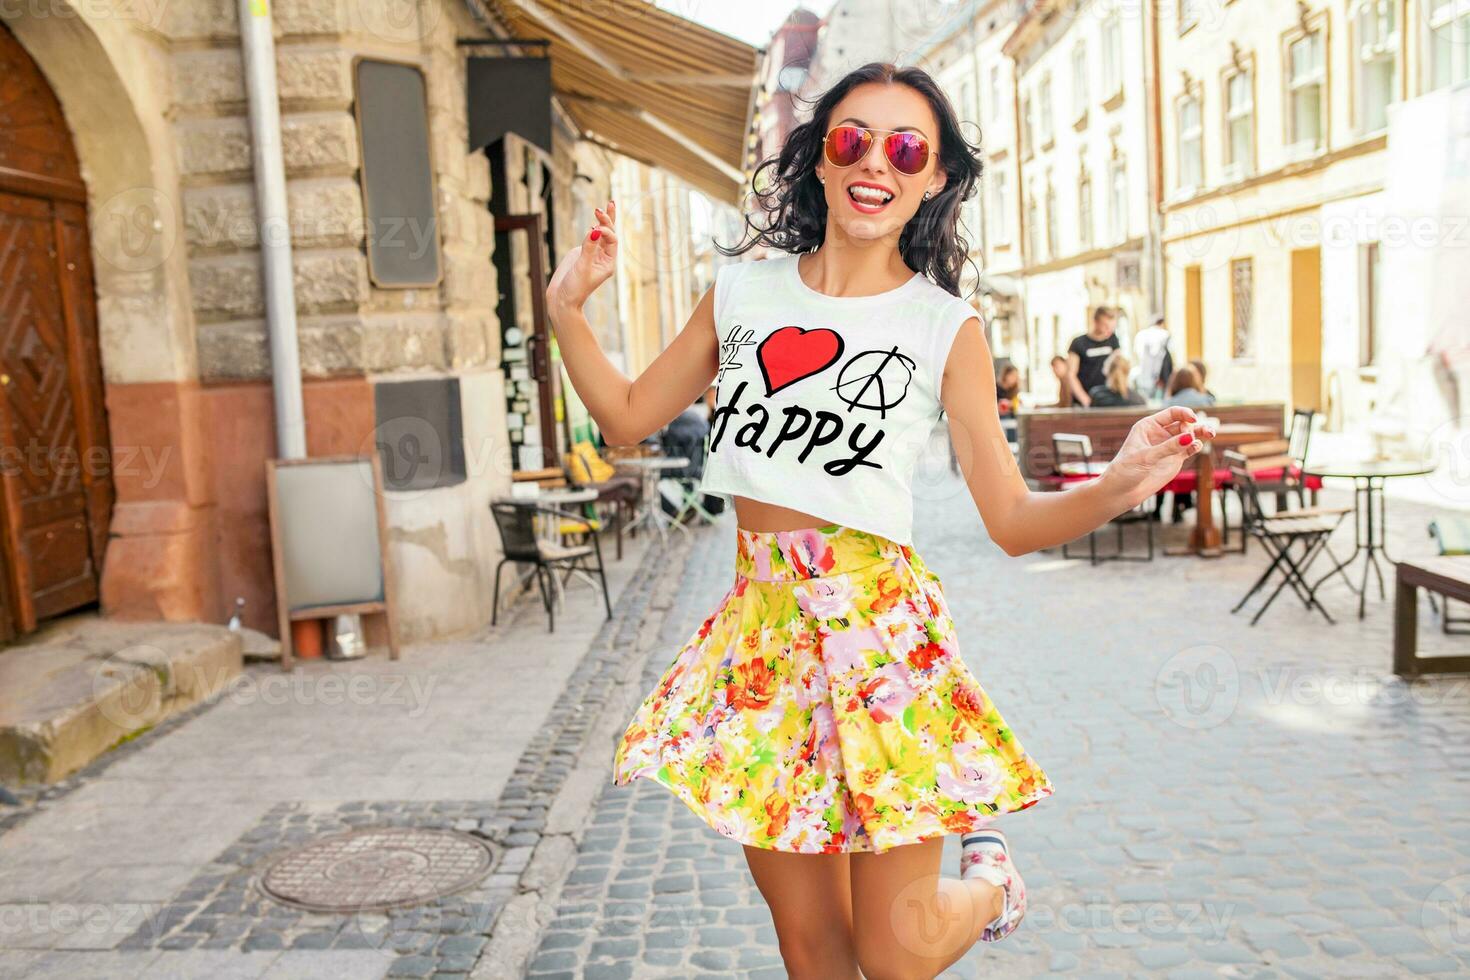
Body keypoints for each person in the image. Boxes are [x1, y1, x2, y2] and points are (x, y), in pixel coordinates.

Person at [545, 61, 1213, 980]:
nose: (877, 164)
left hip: (881, 642)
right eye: (853, 139)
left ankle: (988, 882)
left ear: (934, 180)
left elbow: (1011, 519)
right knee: (812, 949)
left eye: (907, 149)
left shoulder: (945, 327)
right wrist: (564, 306)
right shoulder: (742, 291)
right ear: (821, 158)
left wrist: (1120, 483)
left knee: (892, 954)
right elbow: (625, 418)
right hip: (761, 645)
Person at [1065, 306, 1121, 407]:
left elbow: (1118, 366)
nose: (1109, 330)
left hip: (1106, 400)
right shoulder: (1078, 343)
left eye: (1112, 327)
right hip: (1083, 401)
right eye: (1105, 326)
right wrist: (1085, 399)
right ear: (1095, 322)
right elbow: (1071, 374)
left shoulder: (1113, 340)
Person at [1132, 313, 1173, 402]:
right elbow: (1162, 358)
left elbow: (1137, 354)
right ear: (1162, 323)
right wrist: (1159, 376)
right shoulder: (1164, 335)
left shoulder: (1141, 335)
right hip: (1158, 378)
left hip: (1143, 375)